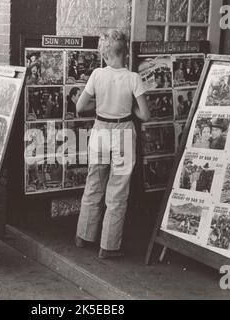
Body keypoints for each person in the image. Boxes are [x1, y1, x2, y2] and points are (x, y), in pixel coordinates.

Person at [75, 29, 150, 259]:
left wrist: (99, 108)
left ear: (105, 54)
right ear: (125, 52)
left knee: (94, 183)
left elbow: (79, 108)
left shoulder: (97, 75)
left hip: (100, 129)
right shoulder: (133, 78)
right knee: (118, 190)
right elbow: (145, 115)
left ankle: (84, 236)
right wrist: (131, 109)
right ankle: (108, 246)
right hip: (123, 132)